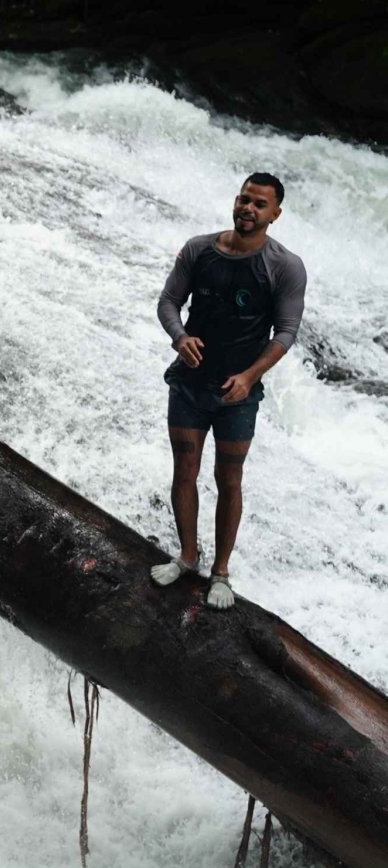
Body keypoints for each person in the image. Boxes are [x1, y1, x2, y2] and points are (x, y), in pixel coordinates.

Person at [150, 173, 306, 609]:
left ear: (275, 214)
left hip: (238, 394)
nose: (248, 209)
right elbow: (168, 302)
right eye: (244, 199)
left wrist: (250, 376)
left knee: (229, 479)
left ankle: (220, 572)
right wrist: (180, 337)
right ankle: (187, 556)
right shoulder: (199, 250)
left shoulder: (284, 266)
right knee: (185, 469)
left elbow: (286, 331)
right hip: (189, 384)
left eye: (259, 204)